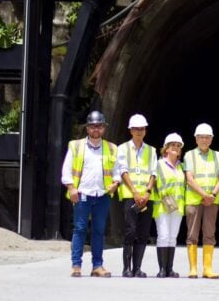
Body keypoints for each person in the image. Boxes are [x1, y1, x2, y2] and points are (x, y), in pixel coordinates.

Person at [61, 110, 120, 278]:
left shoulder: (111, 148)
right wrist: (72, 188)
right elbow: (66, 170)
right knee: (79, 229)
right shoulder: (76, 146)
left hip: (102, 194)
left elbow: (117, 171)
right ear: (87, 128)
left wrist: (115, 183)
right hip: (82, 194)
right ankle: (76, 265)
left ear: (104, 129)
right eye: (93, 126)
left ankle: (97, 265)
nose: (96, 129)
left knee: (99, 231)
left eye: (99, 126)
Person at [116, 113, 157, 278]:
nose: (139, 131)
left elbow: (153, 173)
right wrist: (134, 192)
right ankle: (127, 268)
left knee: (143, 233)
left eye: (142, 129)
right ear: (130, 130)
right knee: (130, 231)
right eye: (136, 129)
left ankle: (137, 268)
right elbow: (123, 170)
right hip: (130, 196)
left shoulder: (151, 150)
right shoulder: (123, 149)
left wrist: (147, 192)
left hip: (147, 197)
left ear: (145, 130)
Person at [184, 123, 219, 278]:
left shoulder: (218, 155)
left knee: (209, 234)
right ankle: (193, 268)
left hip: (211, 201)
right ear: (196, 139)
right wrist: (204, 195)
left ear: (212, 139)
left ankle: (207, 268)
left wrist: (212, 195)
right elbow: (189, 179)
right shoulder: (189, 155)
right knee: (192, 234)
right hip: (194, 200)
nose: (204, 140)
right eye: (201, 137)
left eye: (207, 137)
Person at [153, 132, 186, 278]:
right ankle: (161, 269)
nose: (176, 148)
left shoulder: (182, 167)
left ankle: (169, 269)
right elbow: (153, 183)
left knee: (173, 236)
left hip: (177, 206)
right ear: (166, 148)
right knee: (163, 235)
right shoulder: (158, 164)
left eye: (178, 146)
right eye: (173, 145)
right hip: (162, 205)